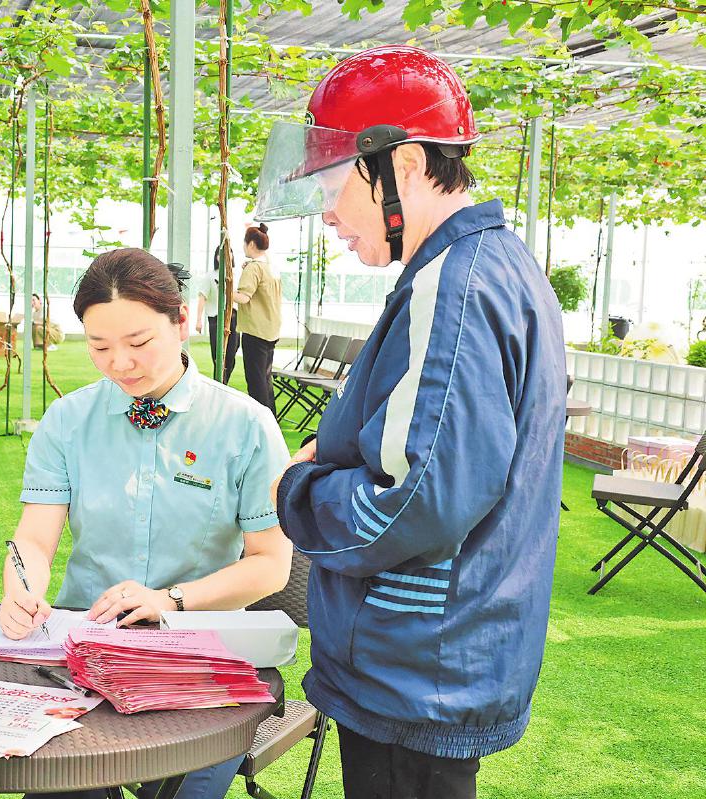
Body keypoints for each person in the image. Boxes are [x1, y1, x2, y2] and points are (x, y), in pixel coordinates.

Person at [265, 46, 566, 799]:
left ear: (401, 166)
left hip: (413, 664)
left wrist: (297, 488)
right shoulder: (492, 263)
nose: (328, 211)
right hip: (438, 657)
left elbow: (412, 501)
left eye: (333, 181)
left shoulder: (451, 286)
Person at [0, 248, 293, 799]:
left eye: (139, 343)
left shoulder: (245, 426)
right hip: (83, 651)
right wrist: (22, 588)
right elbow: (35, 538)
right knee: (59, 780)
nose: (120, 364)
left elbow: (271, 564)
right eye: (99, 346)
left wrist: (169, 601)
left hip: (201, 659)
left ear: (182, 322)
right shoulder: (67, 421)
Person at [234, 224, 281, 415]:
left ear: (251, 244)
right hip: (271, 330)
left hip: (255, 331)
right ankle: (271, 418)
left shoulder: (254, 268)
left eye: (244, 243)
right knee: (265, 378)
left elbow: (244, 297)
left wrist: (225, 290)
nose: (243, 247)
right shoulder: (270, 267)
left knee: (256, 381)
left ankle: (261, 421)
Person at [194, 243, 239, 384]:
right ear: (217, 257)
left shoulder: (236, 274)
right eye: (221, 253)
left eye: (229, 252)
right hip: (216, 319)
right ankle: (219, 384)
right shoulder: (210, 276)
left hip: (233, 318)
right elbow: (202, 297)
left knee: (231, 355)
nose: (226, 256)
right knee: (218, 356)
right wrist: (198, 320)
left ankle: (223, 384)